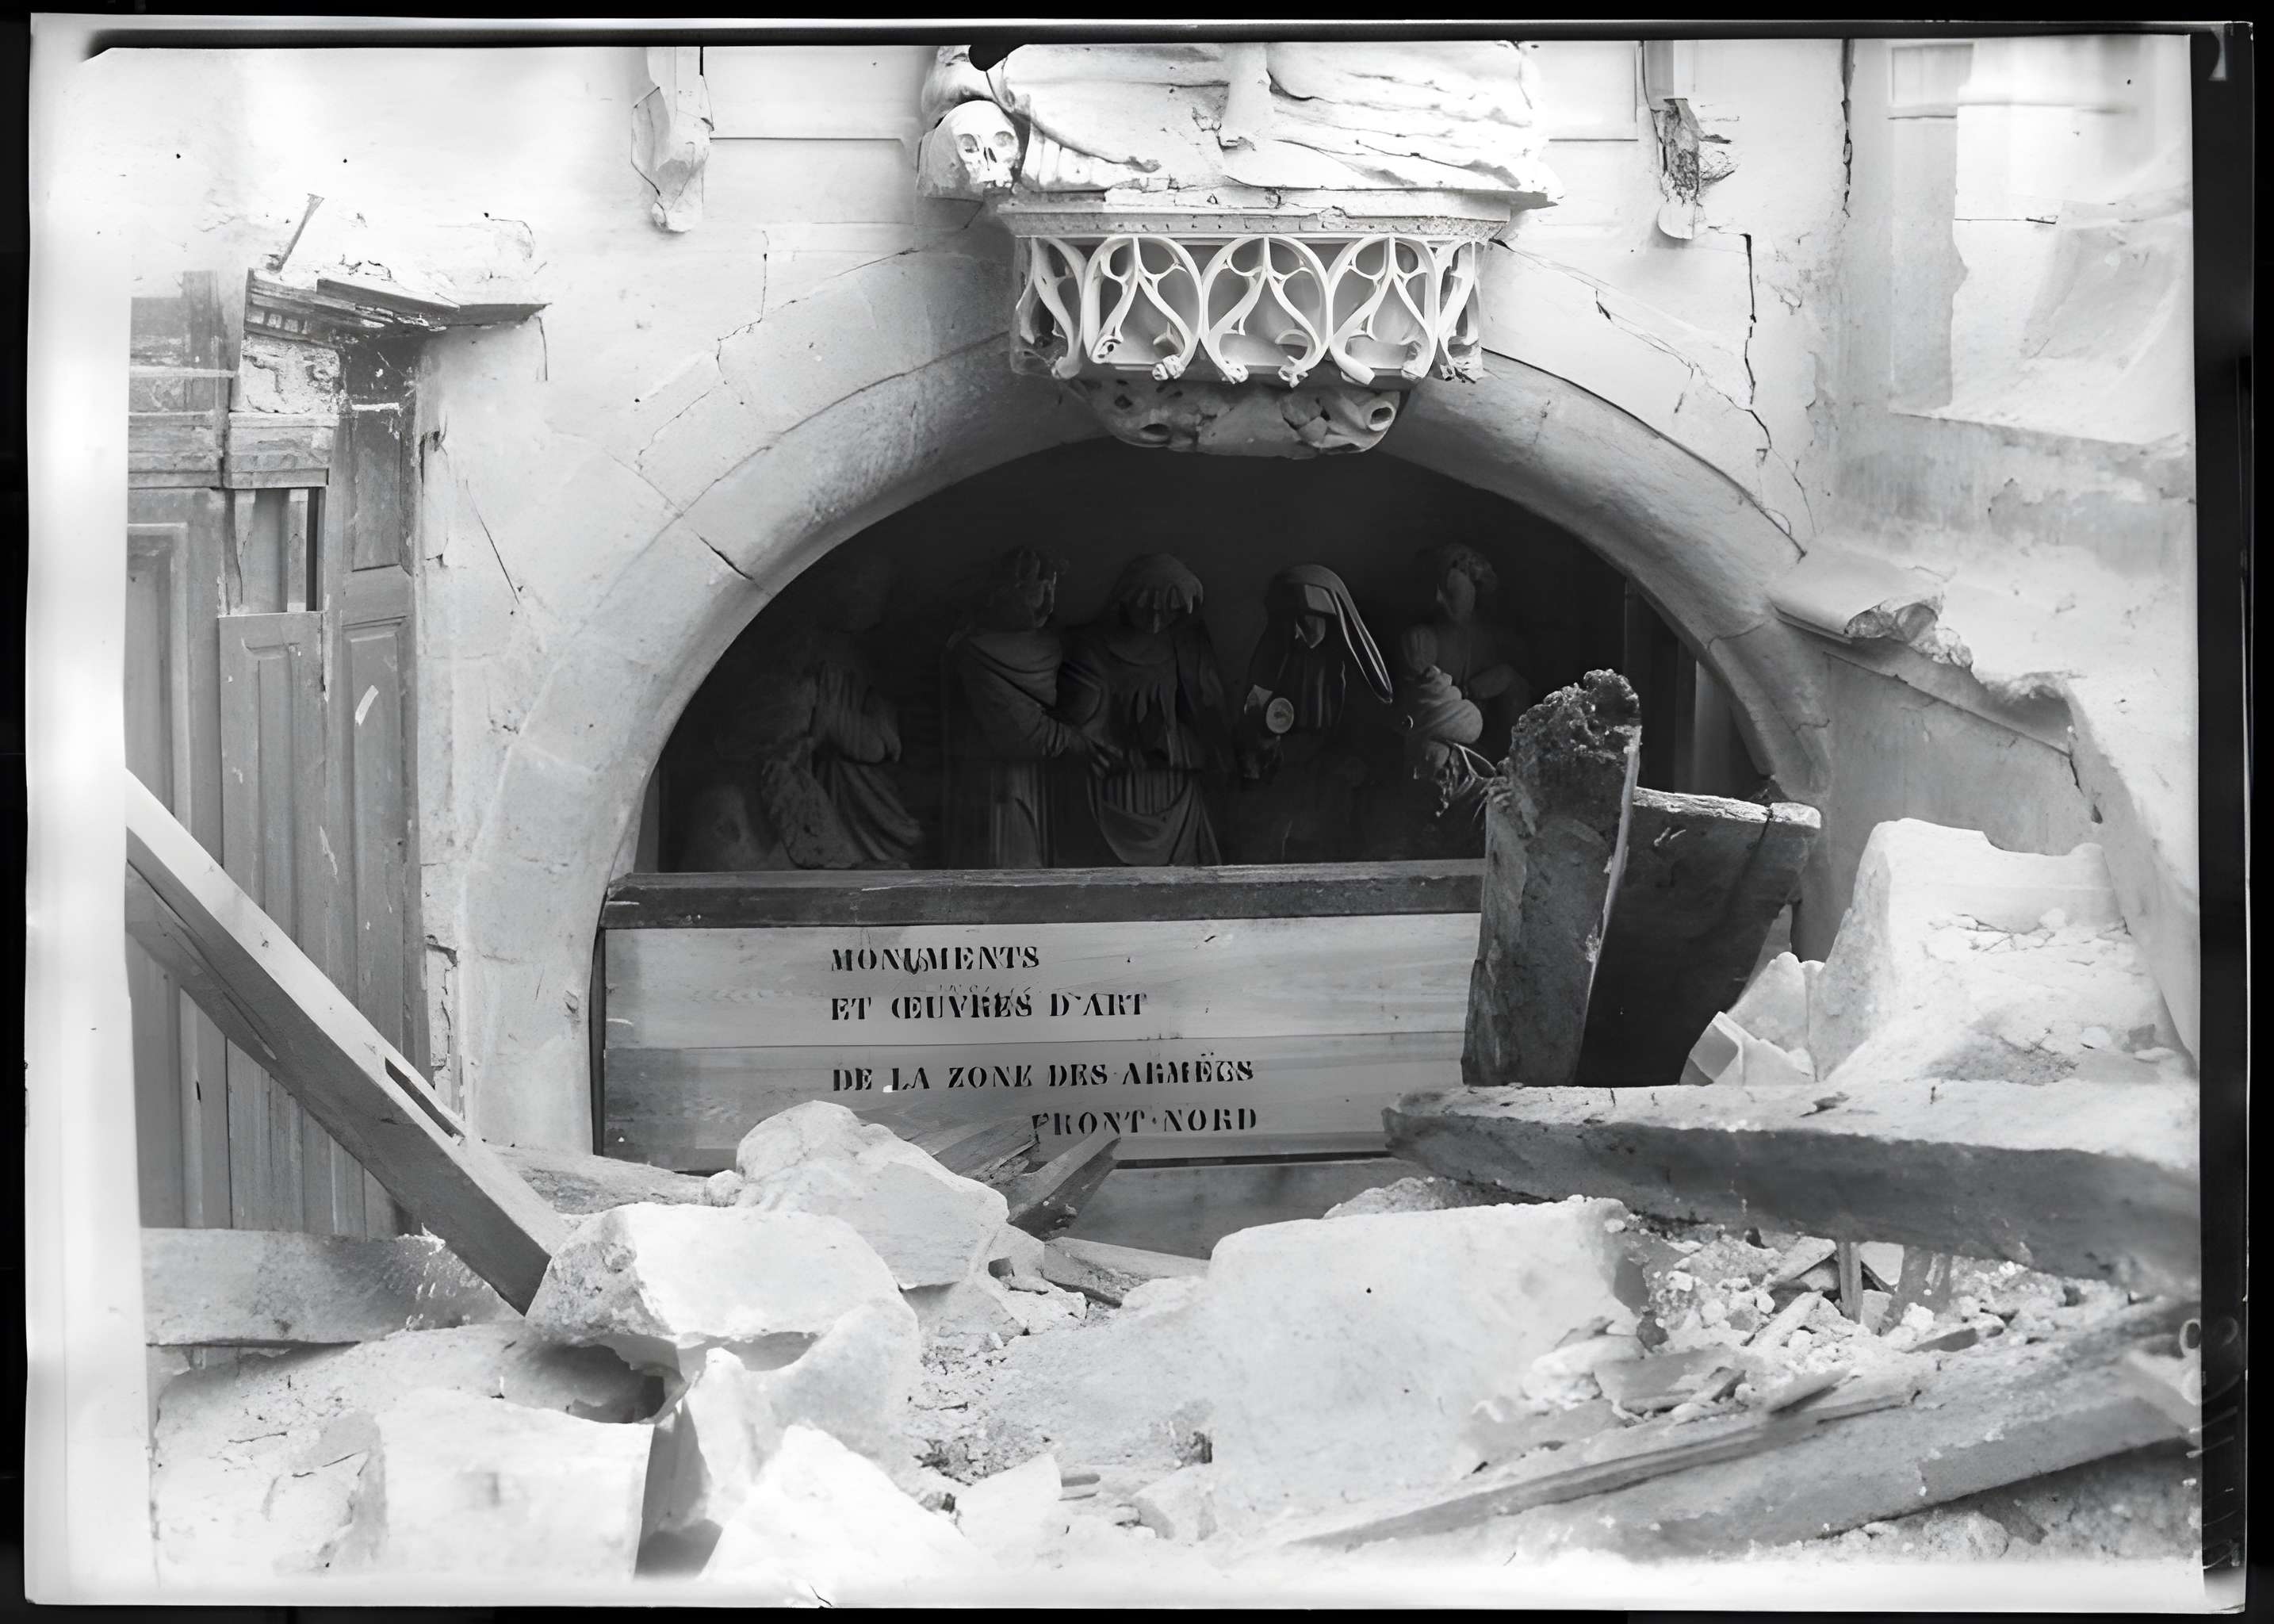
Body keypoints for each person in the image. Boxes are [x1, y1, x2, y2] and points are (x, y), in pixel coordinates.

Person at [680, 553, 921, 871]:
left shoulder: (839, 658)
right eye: (865, 587)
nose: (876, 599)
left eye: (881, 589)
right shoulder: (796, 660)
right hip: (747, 803)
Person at [1058, 553, 1227, 867]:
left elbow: (1208, 710)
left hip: (1176, 791)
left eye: (1168, 613)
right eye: (1147, 609)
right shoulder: (1091, 646)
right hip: (1112, 790)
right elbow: (1080, 720)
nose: (1155, 622)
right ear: (1126, 599)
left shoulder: (1187, 644)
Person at [939, 547, 1103, 868]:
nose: (1046, 603)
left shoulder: (1052, 644)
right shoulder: (974, 651)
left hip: (1042, 779)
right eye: (1035, 591)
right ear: (1003, 593)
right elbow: (1017, 733)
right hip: (993, 783)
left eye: (1050, 589)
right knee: (1006, 861)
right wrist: (1076, 740)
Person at [1232, 564, 1396, 863]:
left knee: (1331, 839)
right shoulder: (1279, 655)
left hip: (1333, 766)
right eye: (1288, 620)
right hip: (1286, 765)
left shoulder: (1349, 664)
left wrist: (1351, 755)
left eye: (1303, 619)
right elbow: (1254, 709)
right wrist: (1261, 736)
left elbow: (1367, 720)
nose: (1295, 628)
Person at [1400, 543, 1532, 751]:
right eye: (1433, 590)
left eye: (1450, 590)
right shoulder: (1422, 639)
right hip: (1441, 748)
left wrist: (1505, 683)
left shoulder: (1495, 641)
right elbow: (1416, 712)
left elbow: (1519, 710)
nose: (1438, 599)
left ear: (1475, 589)